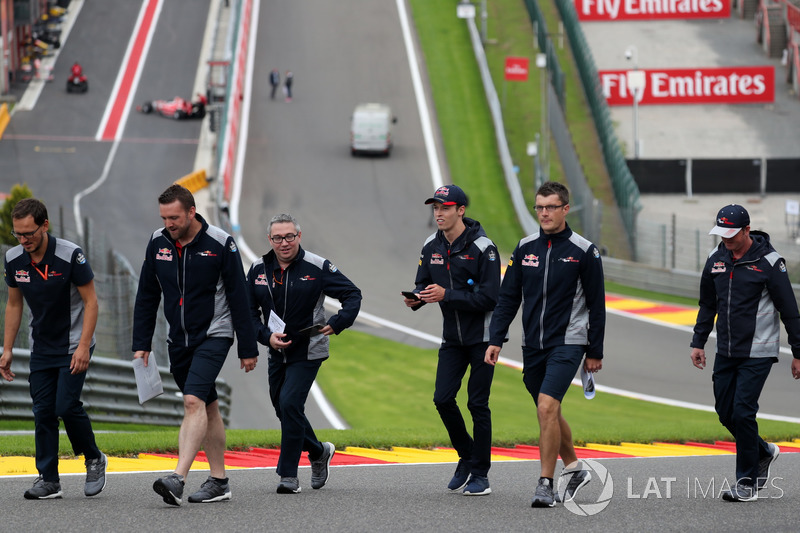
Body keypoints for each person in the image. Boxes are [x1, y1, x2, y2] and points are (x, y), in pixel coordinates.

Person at [132, 184, 259, 506]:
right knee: (207, 406)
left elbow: (239, 296)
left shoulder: (220, 243)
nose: (168, 224)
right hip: (178, 339)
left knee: (191, 401)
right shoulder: (157, 242)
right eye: (164, 218)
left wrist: (247, 346)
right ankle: (219, 481)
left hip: (214, 333)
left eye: (174, 217)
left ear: (191, 212)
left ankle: (178, 478)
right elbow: (147, 293)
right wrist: (141, 342)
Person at [485, 181, 605, 508]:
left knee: (546, 407)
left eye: (551, 207)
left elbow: (597, 305)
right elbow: (508, 298)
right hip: (532, 344)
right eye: (539, 207)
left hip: (569, 341)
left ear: (565, 209)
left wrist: (595, 350)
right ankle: (575, 469)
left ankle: (545, 484)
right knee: (547, 411)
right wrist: (496, 339)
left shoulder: (584, 250)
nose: (544, 213)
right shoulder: (525, 248)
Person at [690, 204, 800, 502]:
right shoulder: (716, 258)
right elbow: (707, 304)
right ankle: (763, 452)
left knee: (742, 411)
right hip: (725, 350)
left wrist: (798, 351)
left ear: (746, 230)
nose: (725, 239)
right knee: (726, 413)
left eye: (731, 234)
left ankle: (746, 481)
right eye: (721, 233)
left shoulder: (769, 262)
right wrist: (698, 341)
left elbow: (789, 310)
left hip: (758, 351)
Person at [247, 214, 361, 494]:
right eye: (277, 238)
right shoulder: (258, 269)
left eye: (289, 237)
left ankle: (288, 475)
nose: (284, 243)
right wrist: (266, 337)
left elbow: (353, 295)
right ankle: (319, 451)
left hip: (309, 348)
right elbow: (247, 312)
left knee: (289, 403)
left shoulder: (317, 266)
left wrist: (338, 322)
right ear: (270, 240)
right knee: (284, 408)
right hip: (276, 349)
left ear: (299, 236)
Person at [1, 198, 107, 500]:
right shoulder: (13, 259)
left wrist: (84, 346)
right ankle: (48, 479)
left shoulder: (70, 255)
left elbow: (91, 302)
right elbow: (14, 303)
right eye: (18, 234)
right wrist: (7, 350)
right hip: (42, 347)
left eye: (29, 234)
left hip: (74, 344)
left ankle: (94, 458)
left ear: (44, 226)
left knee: (65, 406)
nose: (24, 241)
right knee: (43, 411)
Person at [403, 184, 500, 496]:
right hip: (452, 339)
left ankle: (481, 474)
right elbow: (423, 283)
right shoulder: (430, 245)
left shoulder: (484, 247)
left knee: (477, 403)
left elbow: (490, 298)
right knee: (442, 398)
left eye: (445, 208)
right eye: (435, 208)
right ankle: (467, 456)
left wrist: (448, 295)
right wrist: (418, 298)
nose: (438, 213)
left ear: (461, 210)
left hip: (483, 339)